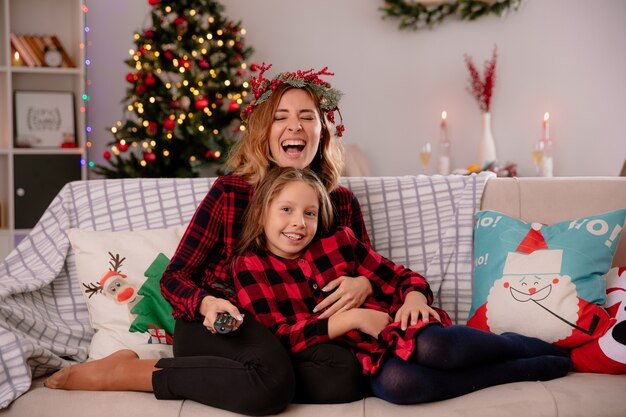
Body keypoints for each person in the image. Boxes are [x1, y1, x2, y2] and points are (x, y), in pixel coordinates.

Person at [44, 64, 375, 415]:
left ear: (323, 131)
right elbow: (175, 277)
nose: (295, 125)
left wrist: (364, 283)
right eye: (281, 117)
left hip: (293, 331)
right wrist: (206, 303)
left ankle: (256, 376)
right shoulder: (230, 193)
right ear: (263, 132)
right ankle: (130, 372)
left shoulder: (341, 202)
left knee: (346, 376)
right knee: (270, 387)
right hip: (220, 323)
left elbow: (372, 269)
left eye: (307, 116)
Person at [232, 166, 573, 404]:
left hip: (400, 326)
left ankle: (519, 346)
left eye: (309, 213)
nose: (298, 223)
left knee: (433, 348)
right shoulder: (249, 267)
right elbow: (277, 337)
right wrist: (352, 319)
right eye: (286, 210)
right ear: (262, 212)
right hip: (365, 358)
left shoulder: (339, 243)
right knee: (399, 385)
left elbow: (403, 277)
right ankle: (513, 371)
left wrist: (413, 299)